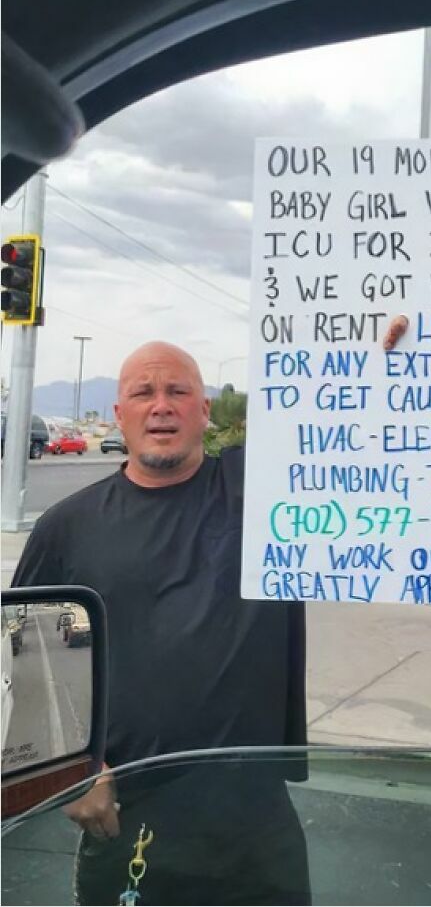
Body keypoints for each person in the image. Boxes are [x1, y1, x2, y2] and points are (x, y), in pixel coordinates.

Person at [12, 342, 309, 906]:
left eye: (179, 391)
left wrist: (386, 355)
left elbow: (349, 429)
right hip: (127, 816)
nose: (161, 405)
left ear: (205, 411)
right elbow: (17, 661)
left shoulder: (265, 497)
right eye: (142, 393)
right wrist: (68, 772)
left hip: (256, 819)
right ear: (119, 415)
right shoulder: (67, 527)